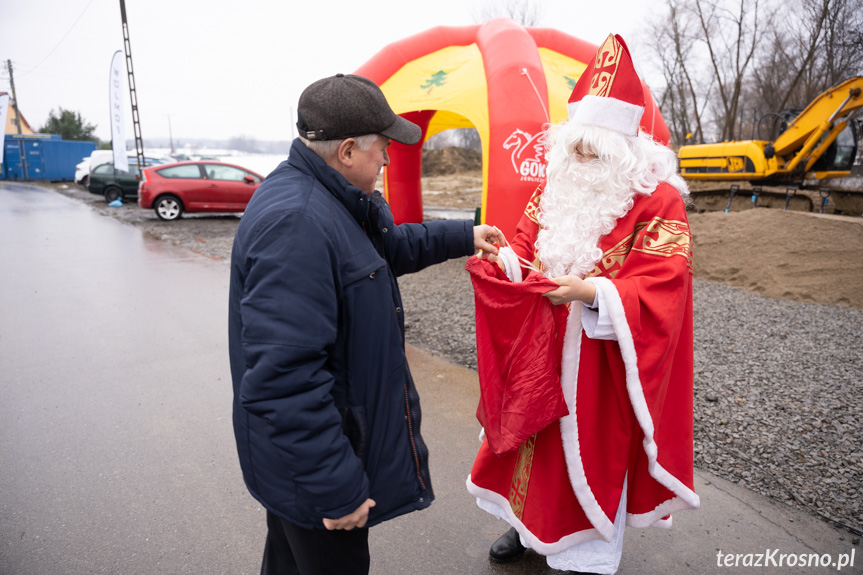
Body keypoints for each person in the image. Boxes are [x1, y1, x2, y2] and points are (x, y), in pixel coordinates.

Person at [227, 73, 504, 575]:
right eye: (383, 147)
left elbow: (389, 248)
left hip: (298, 463)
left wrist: (466, 234)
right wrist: (335, 486)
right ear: (349, 150)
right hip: (315, 472)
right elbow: (284, 379)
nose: (389, 158)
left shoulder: (333, 198)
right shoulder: (298, 223)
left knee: (288, 561)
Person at [465, 34, 700, 575]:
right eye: (577, 143)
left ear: (625, 143)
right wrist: (505, 261)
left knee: (588, 450)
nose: (584, 154)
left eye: (595, 144)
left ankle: (586, 552)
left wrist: (591, 292)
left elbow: (666, 283)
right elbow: (525, 240)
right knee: (529, 439)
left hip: (598, 358)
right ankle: (527, 529)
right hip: (538, 343)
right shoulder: (555, 182)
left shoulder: (658, 197)